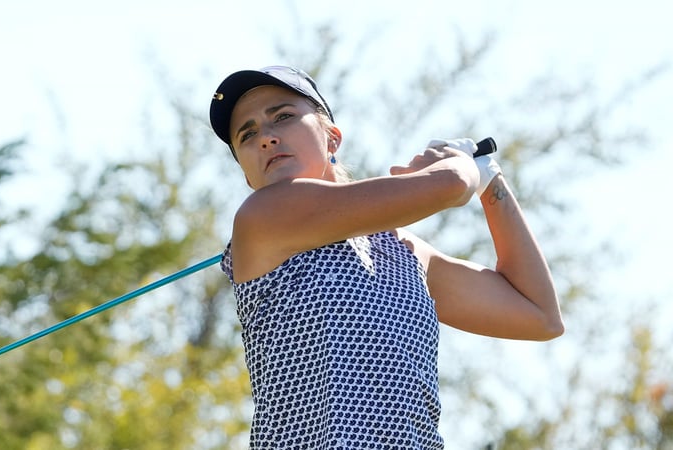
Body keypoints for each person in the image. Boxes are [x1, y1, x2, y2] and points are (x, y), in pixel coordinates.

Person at [209, 65, 564, 449]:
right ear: (246, 173)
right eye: (248, 134)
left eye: (283, 116)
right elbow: (451, 185)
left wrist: (490, 181)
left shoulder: (401, 250)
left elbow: (539, 315)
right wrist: (457, 162)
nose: (265, 137)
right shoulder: (263, 217)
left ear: (332, 139)